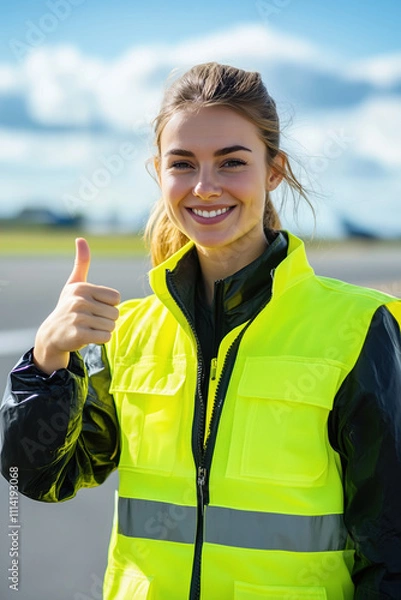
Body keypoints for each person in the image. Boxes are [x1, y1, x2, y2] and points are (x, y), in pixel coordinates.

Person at [1, 62, 401, 600]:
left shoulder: (358, 327)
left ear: (274, 170)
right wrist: (47, 364)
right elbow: (38, 478)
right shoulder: (128, 333)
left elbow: (392, 546)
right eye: (182, 164)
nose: (204, 187)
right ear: (159, 173)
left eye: (232, 162)